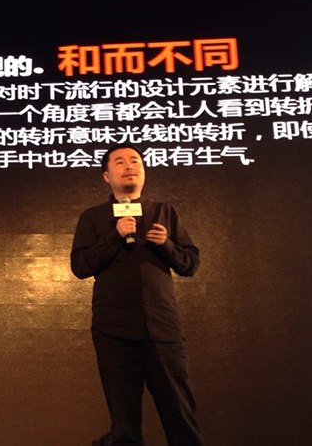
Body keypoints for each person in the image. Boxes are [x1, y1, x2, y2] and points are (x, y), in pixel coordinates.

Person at [70, 144, 204, 446]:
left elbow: (190, 264)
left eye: (135, 161)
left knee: (181, 417)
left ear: (143, 172)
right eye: (119, 162)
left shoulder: (164, 212)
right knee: (124, 427)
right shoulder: (93, 217)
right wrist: (115, 236)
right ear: (107, 176)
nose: (129, 166)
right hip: (114, 330)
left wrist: (167, 244)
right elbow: (80, 266)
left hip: (162, 328)